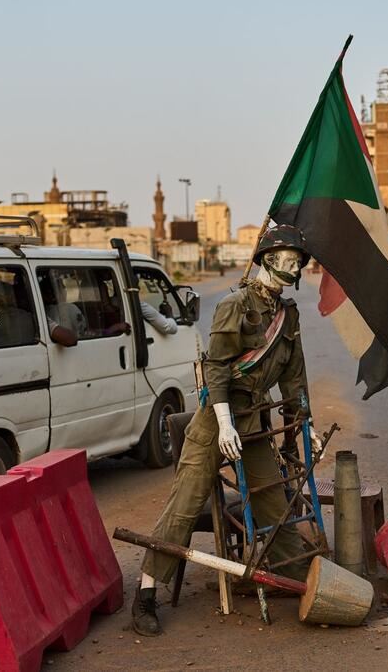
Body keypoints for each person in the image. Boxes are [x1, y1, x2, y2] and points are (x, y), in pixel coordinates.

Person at [131, 224, 323, 637]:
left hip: (251, 425)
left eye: (298, 260)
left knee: (274, 500)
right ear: (268, 260)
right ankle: (145, 594)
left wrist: (308, 425)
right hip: (214, 423)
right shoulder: (235, 305)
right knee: (184, 503)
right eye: (288, 258)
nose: (294, 265)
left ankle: (300, 576)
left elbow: (294, 379)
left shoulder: (287, 315)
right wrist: (222, 424)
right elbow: (216, 367)